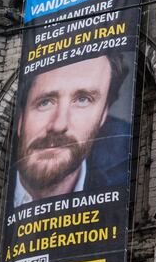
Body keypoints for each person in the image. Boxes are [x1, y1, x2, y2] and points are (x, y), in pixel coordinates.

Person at [12, 54, 130, 207]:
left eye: (82, 100)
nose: (59, 125)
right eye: (45, 102)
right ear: (21, 116)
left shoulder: (125, 168)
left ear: (103, 115)